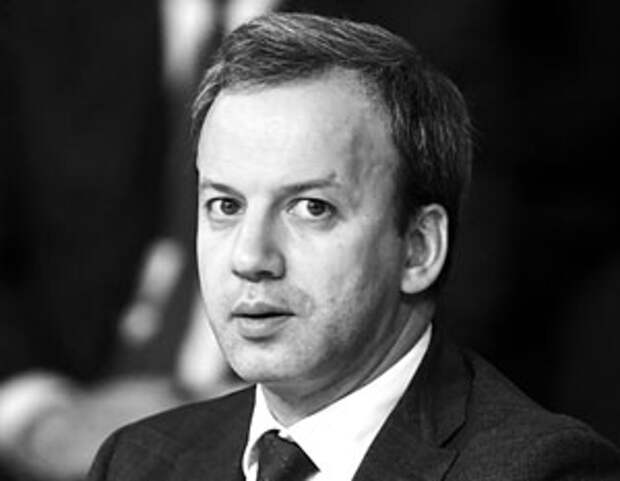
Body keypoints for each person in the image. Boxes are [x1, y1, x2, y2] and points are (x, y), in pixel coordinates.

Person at [87, 12, 620, 481]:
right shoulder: (135, 461)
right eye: (226, 206)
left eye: (311, 208)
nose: (250, 259)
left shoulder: (542, 471)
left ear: (419, 248)